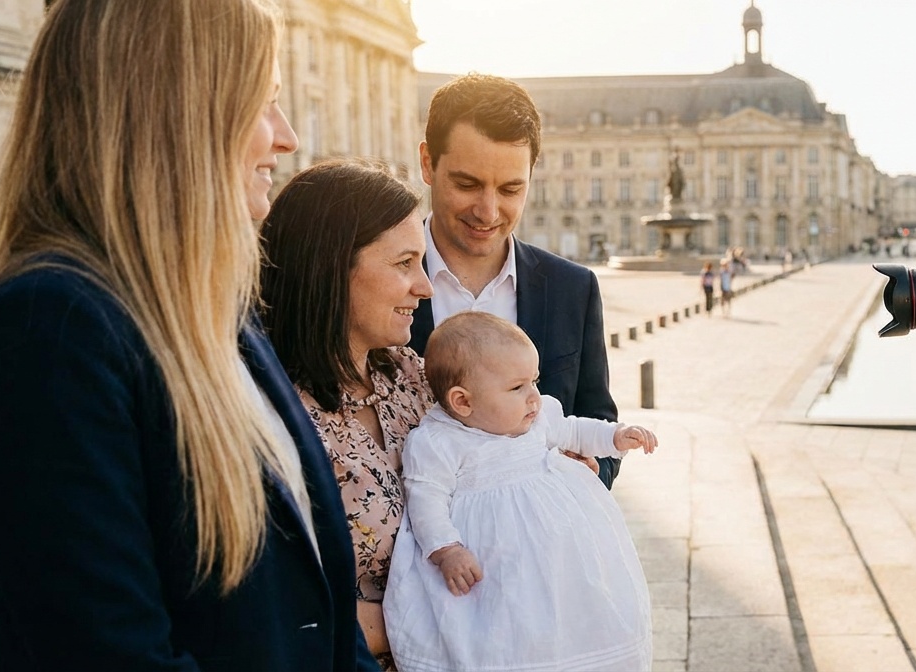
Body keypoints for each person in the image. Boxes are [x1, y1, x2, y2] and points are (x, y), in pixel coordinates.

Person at [0, 1, 377, 669]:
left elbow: (324, 612)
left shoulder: (216, 309)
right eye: (264, 102)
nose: (289, 137)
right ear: (179, 115)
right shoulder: (49, 326)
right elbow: (106, 653)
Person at [385, 312, 656, 671]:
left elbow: (573, 430)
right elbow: (426, 497)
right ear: (463, 402)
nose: (534, 398)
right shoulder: (438, 441)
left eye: (534, 381)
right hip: (493, 556)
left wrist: (614, 437)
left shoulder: (537, 419)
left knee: (568, 606)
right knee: (506, 622)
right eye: (517, 388)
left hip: (559, 550)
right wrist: (446, 549)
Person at [406, 73, 624, 489]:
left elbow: (597, 420)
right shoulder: (374, 279)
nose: (488, 212)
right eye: (467, 184)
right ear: (428, 163)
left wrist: (593, 469)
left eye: (510, 189)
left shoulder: (573, 288)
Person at [258, 159, 435, 670]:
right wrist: (432, 617)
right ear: (331, 266)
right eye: (404, 263)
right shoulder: (271, 415)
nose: (425, 286)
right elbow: (278, 607)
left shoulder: (412, 376)